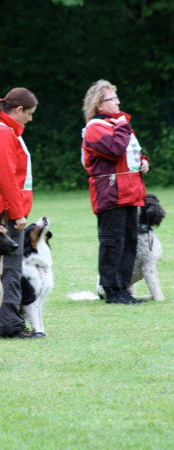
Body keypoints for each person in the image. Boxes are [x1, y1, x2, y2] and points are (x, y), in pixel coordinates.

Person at [82, 79, 149, 305]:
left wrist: (143, 160)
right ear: (99, 104)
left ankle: (124, 289)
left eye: (117, 97)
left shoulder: (118, 124)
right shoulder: (95, 128)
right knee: (112, 242)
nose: (118, 102)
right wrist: (122, 125)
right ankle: (111, 290)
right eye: (113, 98)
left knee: (129, 241)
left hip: (131, 191)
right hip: (111, 193)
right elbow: (115, 149)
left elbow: (132, 150)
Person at [0, 87, 38, 338]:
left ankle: (1, 321)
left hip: (0, 206)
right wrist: (18, 212)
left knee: (0, 269)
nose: (30, 119)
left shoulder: (0, 130)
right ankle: (10, 325)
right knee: (11, 269)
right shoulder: (3, 133)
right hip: (6, 210)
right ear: (19, 109)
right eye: (30, 113)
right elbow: (6, 176)